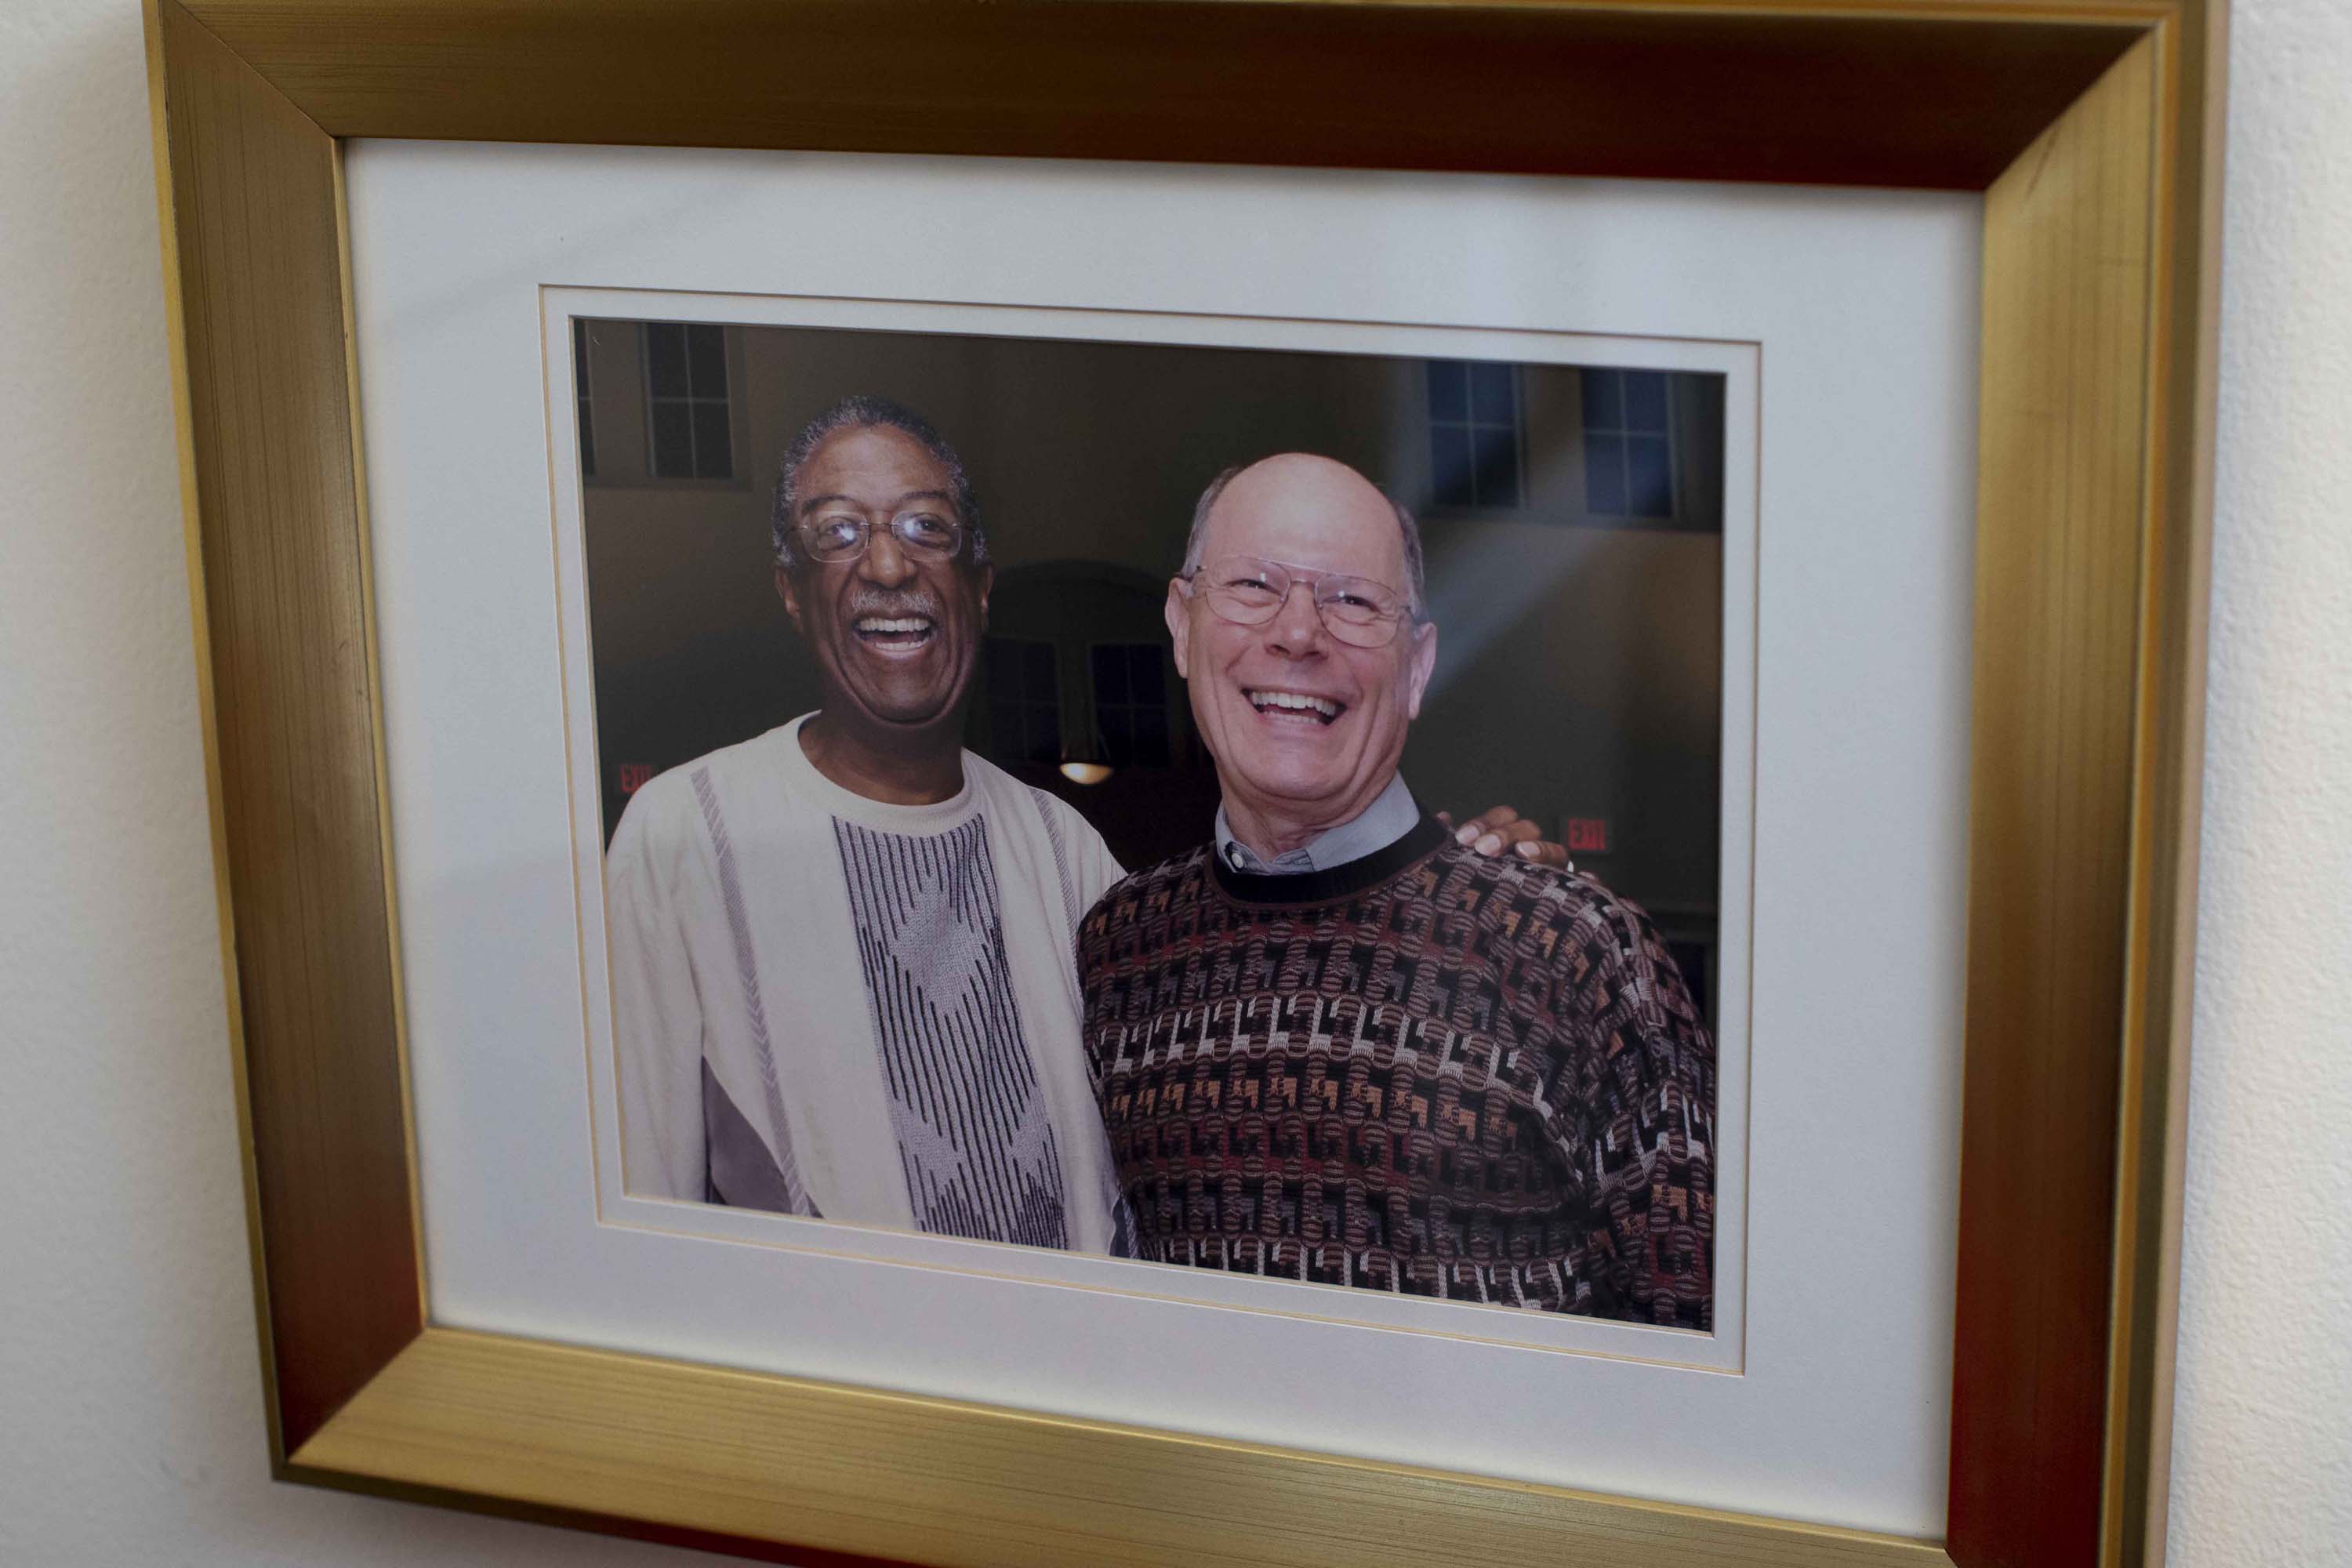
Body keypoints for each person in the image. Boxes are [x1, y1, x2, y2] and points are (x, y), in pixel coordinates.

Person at [606, 397, 1558, 1254]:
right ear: (787, 586)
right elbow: (637, 1205)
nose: (887, 563)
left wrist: (1454, 883)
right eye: (838, 531)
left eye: (926, 528)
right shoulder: (686, 832)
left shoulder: (1062, 848)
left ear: (980, 586)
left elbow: (1240, 995)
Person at [1076, 454, 1715, 1325]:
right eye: (1255, 584)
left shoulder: (1580, 954)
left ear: (1416, 666)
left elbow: (1701, 1336)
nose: (1299, 633)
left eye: (1351, 600)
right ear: (1183, 626)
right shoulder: (1120, 947)